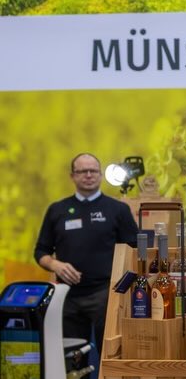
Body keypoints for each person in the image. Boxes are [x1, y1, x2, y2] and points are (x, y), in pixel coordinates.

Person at [34, 153, 138, 357]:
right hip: (67, 296)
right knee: (71, 357)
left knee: (111, 355)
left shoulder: (118, 210)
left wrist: (122, 287)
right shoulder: (57, 210)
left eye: (93, 171)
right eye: (82, 171)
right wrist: (55, 265)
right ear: (72, 176)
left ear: (100, 175)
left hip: (106, 294)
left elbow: (135, 250)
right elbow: (40, 251)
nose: (88, 175)